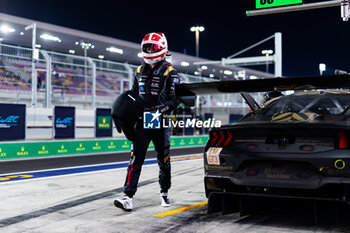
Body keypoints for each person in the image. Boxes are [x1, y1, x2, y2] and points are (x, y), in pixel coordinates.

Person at [114, 32, 180, 211]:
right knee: (135, 159)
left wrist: (158, 111)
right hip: (142, 120)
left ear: (162, 48)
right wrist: (123, 111)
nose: (149, 50)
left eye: (153, 47)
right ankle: (127, 197)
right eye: (146, 47)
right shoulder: (138, 71)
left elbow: (174, 101)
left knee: (163, 160)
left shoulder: (170, 73)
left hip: (160, 120)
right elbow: (134, 96)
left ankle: (164, 193)